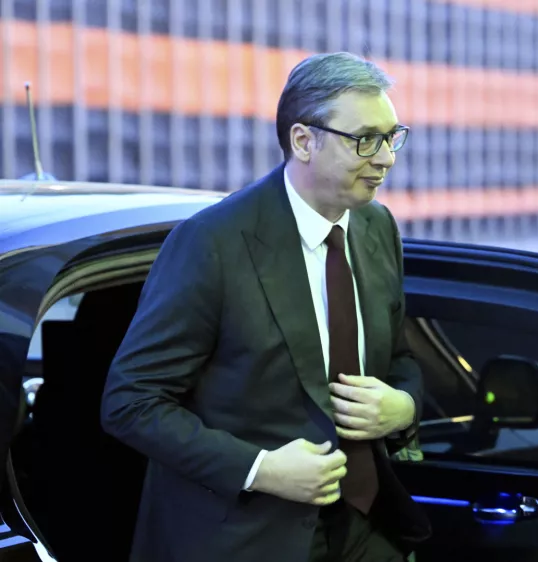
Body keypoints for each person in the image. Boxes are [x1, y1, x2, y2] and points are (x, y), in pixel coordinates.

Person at [101, 52, 431, 562]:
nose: (386, 157)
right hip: (245, 536)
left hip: (364, 522)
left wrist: (402, 408)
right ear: (303, 141)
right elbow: (131, 402)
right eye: (365, 139)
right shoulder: (213, 243)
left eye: (392, 137)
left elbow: (401, 360)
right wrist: (261, 469)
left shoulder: (376, 228)